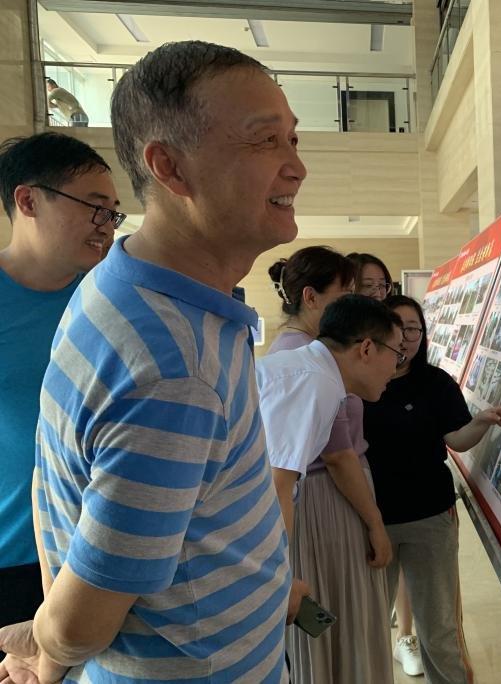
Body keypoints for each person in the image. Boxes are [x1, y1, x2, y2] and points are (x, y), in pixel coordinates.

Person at [0, 41, 306, 683]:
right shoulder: (173, 365)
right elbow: (81, 624)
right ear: (170, 167)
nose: (296, 167)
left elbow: (55, 478)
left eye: (293, 139)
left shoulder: (119, 280)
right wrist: (49, 647)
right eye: (265, 140)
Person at [0, 133, 118, 642]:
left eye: (112, 212)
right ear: (28, 201)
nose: (106, 225)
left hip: (95, 551)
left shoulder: (109, 300)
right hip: (12, 558)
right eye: (93, 206)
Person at [364, 295, 501, 684]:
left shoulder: (436, 383)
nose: (404, 337)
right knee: (367, 625)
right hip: (370, 522)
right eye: (395, 327)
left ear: (423, 334)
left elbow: (457, 439)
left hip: (430, 519)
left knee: (439, 630)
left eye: (413, 328)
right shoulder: (359, 382)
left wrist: (481, 422)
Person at [259, 294, 404, 683]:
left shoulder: (315, 374)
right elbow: (278, 486)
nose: (396, 368)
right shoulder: (315, 382)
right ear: (367, 349)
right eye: (396, 353)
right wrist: (281, 578)